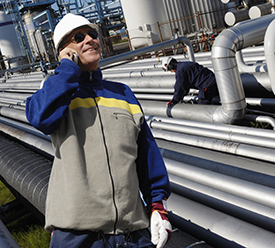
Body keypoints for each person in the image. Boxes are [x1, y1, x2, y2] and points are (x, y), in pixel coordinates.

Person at [25, 13, 172, 248]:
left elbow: (147, 155)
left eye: (92, 34)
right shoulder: (58, 92)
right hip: (77, 236)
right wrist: (66, 71)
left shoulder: (122, 93)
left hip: (130, 233)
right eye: (79, 37)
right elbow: (39, 117)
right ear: (65, 51)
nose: (90, 40)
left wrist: (157, 206)